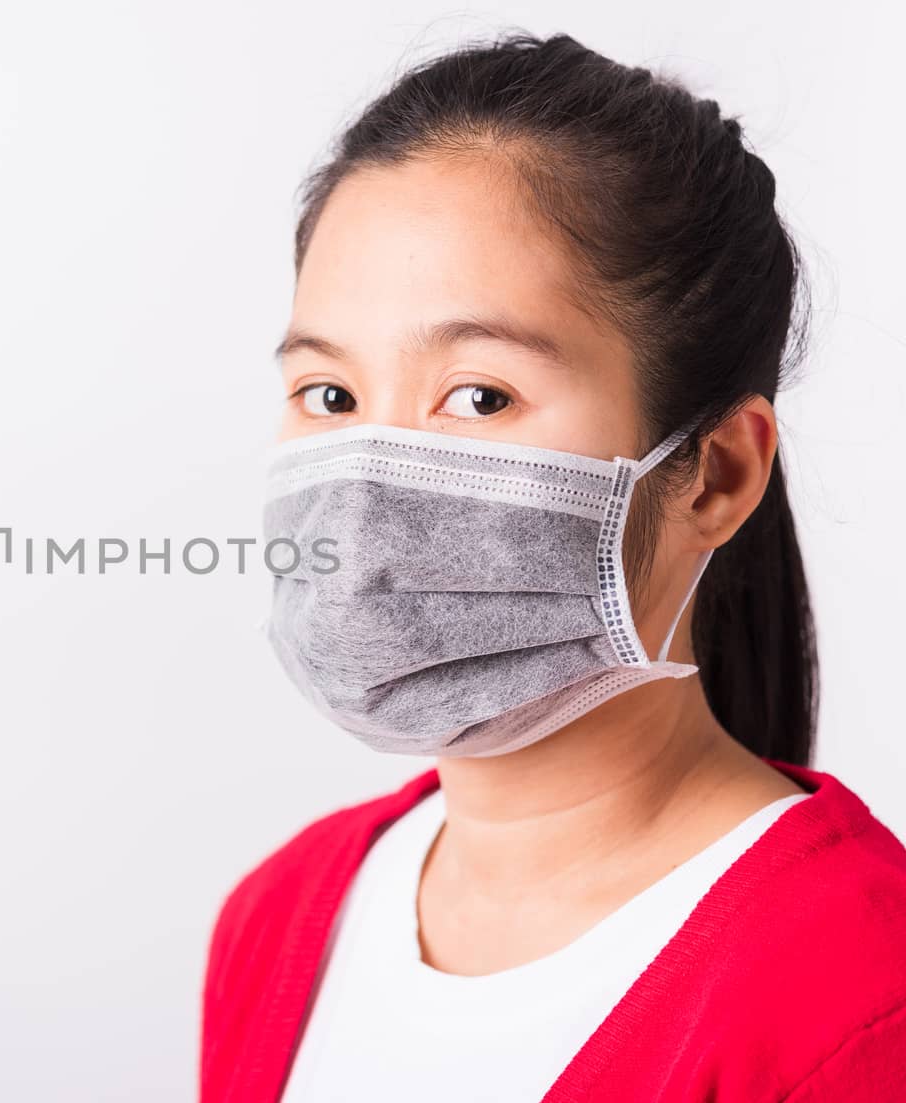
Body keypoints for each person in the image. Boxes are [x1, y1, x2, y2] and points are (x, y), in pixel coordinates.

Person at [201, 31, 906, 1103]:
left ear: (713, 474)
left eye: (478, 395)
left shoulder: (856, 999)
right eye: (330, 397)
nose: (366, 480)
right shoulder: (280, 911)